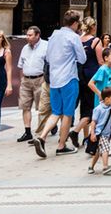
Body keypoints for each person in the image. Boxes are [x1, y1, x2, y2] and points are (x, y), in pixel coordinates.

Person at [30, 11, 85, 158]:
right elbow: (82, 59)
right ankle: (61, 146)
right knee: (67, 114)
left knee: (56, 112)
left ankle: (42, 137)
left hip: (54, 80)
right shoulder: (74, 37)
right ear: (74, 23)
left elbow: (47, 57)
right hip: (69, 77)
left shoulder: (54, 35)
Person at [70, 17, 104, 148]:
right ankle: (76, 131)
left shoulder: (78, 40)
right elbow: (100, 61)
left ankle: (86, 137)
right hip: (92, 75)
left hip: (79, 74)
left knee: (84, 106)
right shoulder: (96, 41)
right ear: (93, 27)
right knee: (91, 107)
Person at [16, 26, 47, 143]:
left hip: (40, 79)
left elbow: (49, 64)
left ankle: (43, 131)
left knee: (42, 108)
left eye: (30, 35)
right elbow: (21, 65)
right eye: (27, 35)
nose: (27, 37)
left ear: (37, 35)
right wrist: (21, 80)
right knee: (25, 106)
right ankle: (27, 132)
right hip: (26, 80)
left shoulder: (46, 46)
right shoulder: (25, 48)